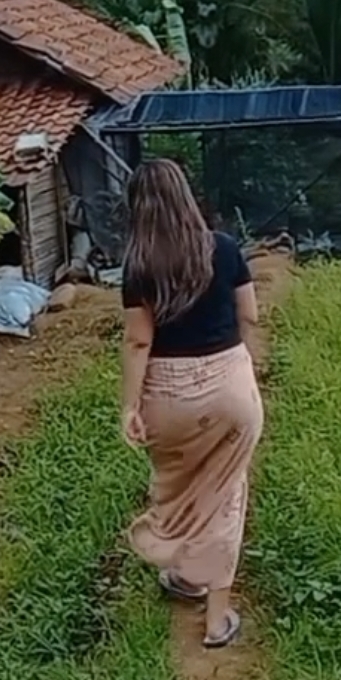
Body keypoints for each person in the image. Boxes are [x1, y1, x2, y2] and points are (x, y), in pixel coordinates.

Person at [120, 158, 264, 648]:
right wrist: (233, 364)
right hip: (230, 388)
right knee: (224, 492)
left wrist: (130, 406)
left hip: (167, 394)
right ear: (185, 196)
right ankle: (216, 618)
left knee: (179, 485)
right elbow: (250, 314)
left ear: (138, 209)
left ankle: (184, 572)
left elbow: (138, 343)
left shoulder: (139, 267)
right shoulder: (223, 249)